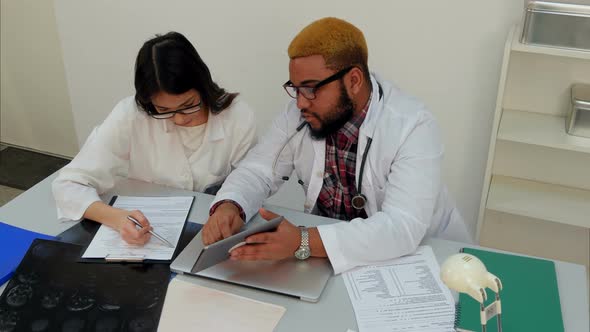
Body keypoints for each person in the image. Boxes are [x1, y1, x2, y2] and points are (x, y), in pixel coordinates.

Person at [203, 17, 466, 274]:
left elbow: (401, 227)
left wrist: (302, 241)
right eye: (295, 88)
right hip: (329, 260)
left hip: (425, 261)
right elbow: (258, 169)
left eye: (310, 88)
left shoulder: (412, 125)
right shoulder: (298, 116)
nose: (300, 103)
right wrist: (231, 204)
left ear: (353, 80)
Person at [52, 32, 257, 246]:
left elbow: (251, 183)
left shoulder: (238, 117)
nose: (178, 119)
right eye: (163, 110)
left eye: (188, 105)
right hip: (147, 239)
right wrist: (117, 218)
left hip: (210, 236)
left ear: (202, 84)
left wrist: (230, 206)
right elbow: (68, 184)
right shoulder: (131, 115)